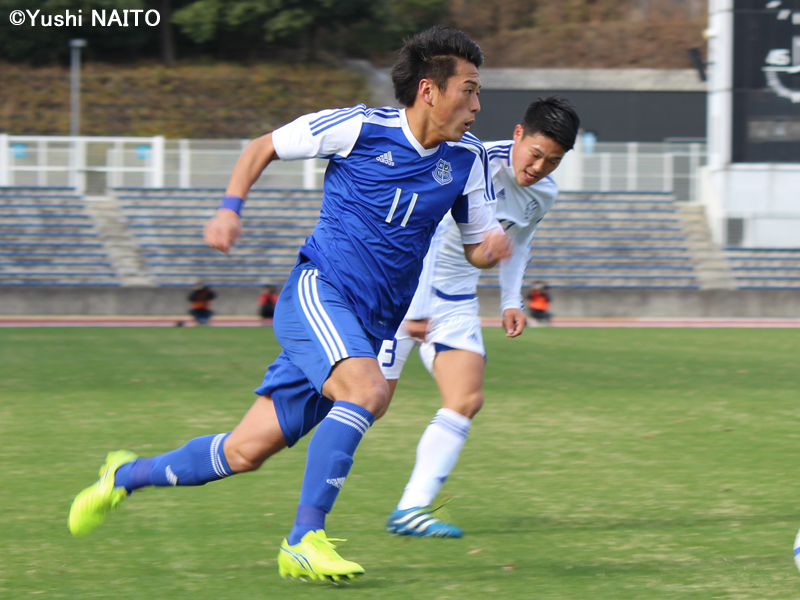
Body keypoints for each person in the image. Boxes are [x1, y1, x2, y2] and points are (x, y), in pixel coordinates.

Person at [68, 26, 512, 582]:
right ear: (428, 90)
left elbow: (476, 247)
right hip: (320, 293)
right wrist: (230, 208)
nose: (476, 104)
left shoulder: (468, 161)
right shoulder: (359, 127)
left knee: (244, 452)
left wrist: (489, 250)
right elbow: (263, 147)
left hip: (370, 323)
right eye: (468, 89)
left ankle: (124, 476)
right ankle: (304, 539)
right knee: (369, 390)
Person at [377, 97, 579, 537]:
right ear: (518, 135)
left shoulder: (544, 192)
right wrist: (415, 309)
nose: (540, 167)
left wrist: (511, 300)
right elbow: (423, 234)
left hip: (456, 301)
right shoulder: (468, 161)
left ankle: (411, 509)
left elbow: (518, 242)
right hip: (403, 293)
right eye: (536, 154)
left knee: (466, 398)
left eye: (554, 161)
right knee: (366, 403)